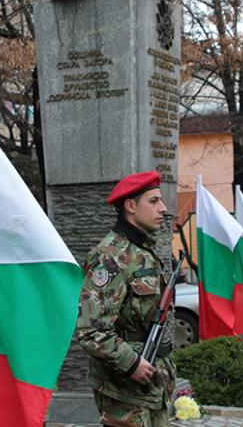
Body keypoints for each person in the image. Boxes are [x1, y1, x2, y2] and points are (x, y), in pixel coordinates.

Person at [75, 171, 176, 427]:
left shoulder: (143, 251)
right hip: (125, 391)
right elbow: (90, 331)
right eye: (153, 201)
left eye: (161, 201)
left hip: (152, 387)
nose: (163, 209)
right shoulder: (110, 257)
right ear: (131, 206)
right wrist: (132, 365)